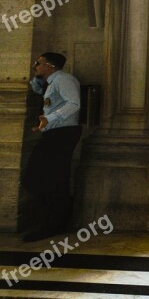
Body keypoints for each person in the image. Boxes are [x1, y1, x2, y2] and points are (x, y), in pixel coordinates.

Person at [21, 53, 83, 242]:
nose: (35, 66)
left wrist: (50, 118)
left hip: (63, 134)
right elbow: (38, 91)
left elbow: (74, 104)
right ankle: (55, 219)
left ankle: (55, 222)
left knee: (48, 178)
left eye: (38, 63)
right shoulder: (50, 81)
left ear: (49, 65)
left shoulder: (64, 80)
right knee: (42, 177)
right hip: (54, 133)